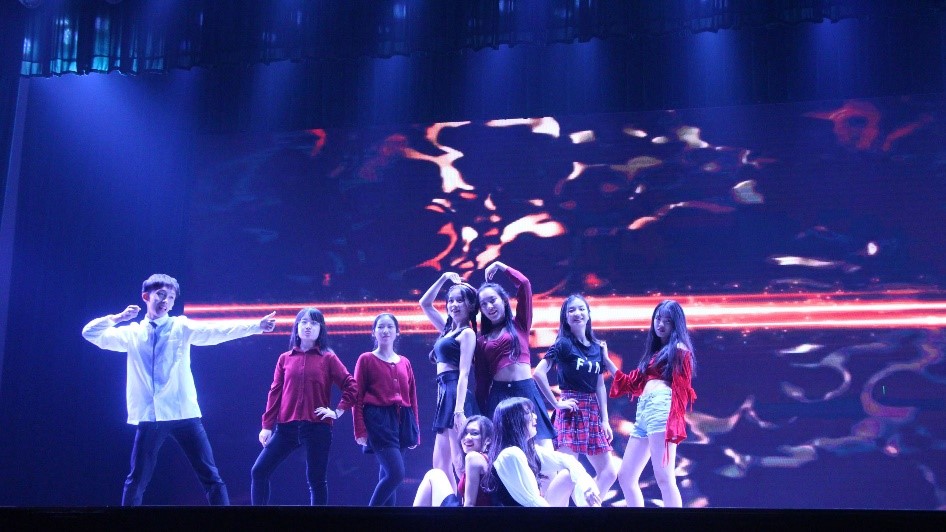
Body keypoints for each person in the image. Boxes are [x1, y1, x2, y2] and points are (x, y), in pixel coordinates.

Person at [80, 273, 277, 506]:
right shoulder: (132, 333)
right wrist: (118, 317)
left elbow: (215, 331)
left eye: (171, 297)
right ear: (146, 296)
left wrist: (256, 326)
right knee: (136, 480)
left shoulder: (180, 326)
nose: (165, 301)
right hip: (151, 416)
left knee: (211, 477)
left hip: (184, 413)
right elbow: (90, 333)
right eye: (161, 295)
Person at [250, 307, 357, 505]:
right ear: (297, 327)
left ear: (321, 328)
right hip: (286, 428)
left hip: (317, 427)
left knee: (316, 481)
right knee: (259, 471)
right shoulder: (285, 358)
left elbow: (351, 385)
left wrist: (337, 412)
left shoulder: (328, 358)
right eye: (304, 322)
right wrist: (267, 426)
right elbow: (275, 392)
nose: (308, 326)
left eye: (314, 323)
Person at [609, 299, 697, 508]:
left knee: (664, 478)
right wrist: (606, 361)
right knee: (626, 476)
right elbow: (631, 384)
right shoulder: (655, 354)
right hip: (644, 411)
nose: (661, 324)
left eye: (667, 320)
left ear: (676, 323)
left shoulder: (679, 349)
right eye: (658, 319)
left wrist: (674, 420)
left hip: (661, 408)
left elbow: (682, 388)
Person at [533, 294, 619, 498]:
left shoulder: (598, 347)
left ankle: (586, 506)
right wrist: (557, 404)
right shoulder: (563, 344)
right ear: (565, 317)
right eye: (571, 310)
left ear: (588, 314)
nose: (577, 313)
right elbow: (538, 373)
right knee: (568, 473)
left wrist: (605, 420)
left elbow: (600, 385)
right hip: (571, 410)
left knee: (608, 473)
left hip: (592, 412)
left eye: (581, 309)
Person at [474, 261, 555, 447]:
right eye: (483, 304)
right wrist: (483, 416)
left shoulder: (520, 324)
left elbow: (524, 284)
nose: (489, 306)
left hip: (526, 391)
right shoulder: (482, 341)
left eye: (492, 300)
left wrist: (500, 266)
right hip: (500, 396)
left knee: (543, 450)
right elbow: (482, 383)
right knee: (506, 451)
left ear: (504, 300)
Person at [418, 271, 480, 489]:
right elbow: (425, 303)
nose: (454, 305)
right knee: (440, 464)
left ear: (470, 306)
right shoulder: (447, 330)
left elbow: (464, 373)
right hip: (444, 394)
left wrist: (459, 410)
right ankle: (451, 502)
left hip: (455, 395)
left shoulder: (467, 334)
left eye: (459, 301)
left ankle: (469, 501)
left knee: (459, 461)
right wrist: (443, 278)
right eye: (450, 301)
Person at [352, 313, 420, 506]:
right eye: (381, 327)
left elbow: (412, 398)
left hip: (403, 420)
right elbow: (357, 396)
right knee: (396, 474)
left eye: (390, 327)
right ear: (373, 332)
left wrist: (415, 431)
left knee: (387, 476)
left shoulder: (405, 362)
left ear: (397, 332)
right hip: (379, 421)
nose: (385, 330)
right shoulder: (366, 359)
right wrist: (360, 430)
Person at [483, 397, 601, 507]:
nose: (535, 416)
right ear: (514, 420)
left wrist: (586, 490)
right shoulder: (510, 454)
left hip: (538, 512)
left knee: (569, 474)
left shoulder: (528, 450)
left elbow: (569, 461)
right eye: (527, 413)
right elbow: (531, 502)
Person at [412, 415, 494, 507]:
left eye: (474, 433)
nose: (467, 437)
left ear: (488, 440)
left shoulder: (473, 458)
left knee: (434, 474)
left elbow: (470, 504)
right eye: (465, 433)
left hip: (469, 515)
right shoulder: (485, 460)